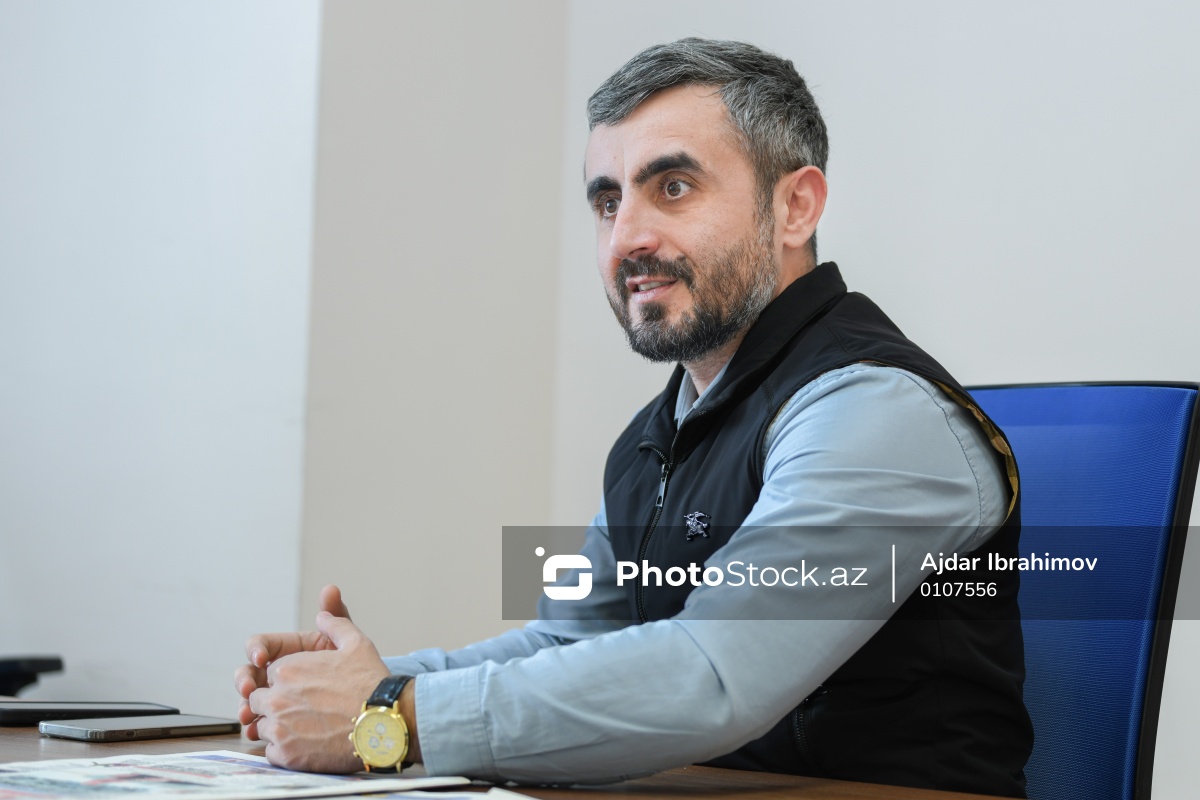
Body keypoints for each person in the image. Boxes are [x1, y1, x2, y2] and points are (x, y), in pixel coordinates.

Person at [236, 38, 1033, 797]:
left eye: (673, 188)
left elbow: (714, 672)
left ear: (795, 207)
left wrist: (390, 718)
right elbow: (571, 643)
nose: (627, 239)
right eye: (608, 201)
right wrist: (358, 686)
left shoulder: (875, 410)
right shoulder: (658, 436)